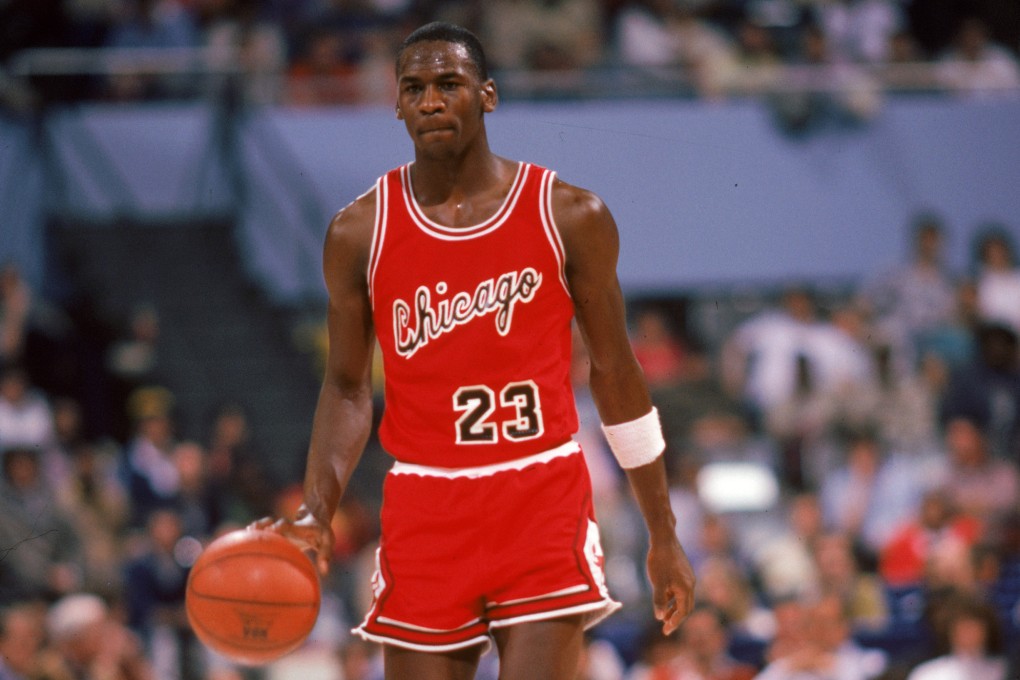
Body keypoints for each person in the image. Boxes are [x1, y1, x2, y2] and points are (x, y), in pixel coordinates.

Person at [257, 21, 696, 680]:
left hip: (540, 489)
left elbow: (616, 374)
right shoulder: (359, 232)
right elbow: (348, 388)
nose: (431, 100)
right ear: (397, 105)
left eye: (448, 84)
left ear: (487, 95)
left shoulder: (569, 214)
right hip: (424, 503)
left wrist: (662, 529)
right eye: (415, 88)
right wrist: (317, 510)